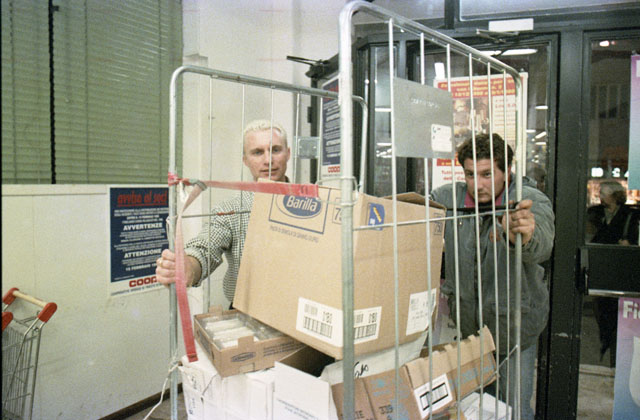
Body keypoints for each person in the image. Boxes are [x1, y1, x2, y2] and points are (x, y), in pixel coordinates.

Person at [430, 133, 555, 420]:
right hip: (469, 333)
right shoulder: (448, 197)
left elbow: (542, 245)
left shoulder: (529, 200)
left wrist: (523, 236)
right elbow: (411, 211)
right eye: (470, 174)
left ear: (506, 171)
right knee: (476, 408)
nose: (477, 184)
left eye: (487, 174)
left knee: (513, 410)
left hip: (514, 331)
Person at [155, 119, 291, 304]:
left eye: (275, 150)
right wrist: (189, 268)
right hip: (246, 312)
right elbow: (205, 248)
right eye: (258, 152)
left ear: (288, 153)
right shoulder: (230, 211)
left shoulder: (317, 204)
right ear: (245, 160)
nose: (268, 160)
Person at [586, 180, 639, 366]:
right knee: (603, 312)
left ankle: (614, 354)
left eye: (604, 193)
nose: (600, 196)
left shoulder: (630, 215)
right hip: (602, 270)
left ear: (615, 196)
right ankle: (606, 346)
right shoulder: (596, 214)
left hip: (620, 272)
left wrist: (630, 244)